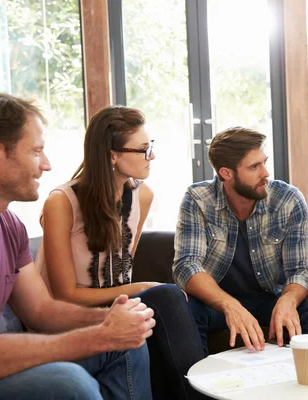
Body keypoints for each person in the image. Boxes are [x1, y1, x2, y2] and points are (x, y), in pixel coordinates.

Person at [0, 93, 154, 399]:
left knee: (127, 344)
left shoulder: (9, 225)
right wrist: (99, 336)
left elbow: (41, 309)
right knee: (70, 383)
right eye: (36, 151)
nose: (47, 165)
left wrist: (111, 319)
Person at [36, 106, 206, 399]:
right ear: (112, 154)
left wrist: (133, 293)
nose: (151, 156)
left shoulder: (142, 195)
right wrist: (140, 287)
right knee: (165, 295)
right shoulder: (62, 202)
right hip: (69, 317)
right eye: (142, 149)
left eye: (150, 146)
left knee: (165, 306)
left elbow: (121, 272)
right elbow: (63, 294)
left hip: (118, 307)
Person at [173, 127, 308, 355]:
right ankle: (195, 388)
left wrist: (289, 300)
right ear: (226, 173)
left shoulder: (287, 199)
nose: (266, 173)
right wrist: (229, 305)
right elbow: (186, 265)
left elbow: (301, 269)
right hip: (216, 302)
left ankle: (293, 378)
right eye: (254, 167)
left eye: (264, 162)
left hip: (269, 298)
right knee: (182, 311)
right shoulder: (198, 199)